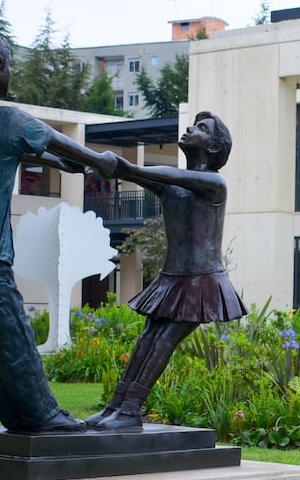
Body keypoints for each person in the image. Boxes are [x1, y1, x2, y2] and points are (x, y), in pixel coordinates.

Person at [0, 28, 120, 434]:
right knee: (13, 339)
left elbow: (16, 149)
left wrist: (61, 164)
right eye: (9, 63)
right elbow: (68, 147)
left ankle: (18, 418)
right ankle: (45, 416)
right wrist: (98, 161)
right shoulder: (9, 117)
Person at [87, 111, 247, 431]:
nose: (190, 129)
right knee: (147, 337)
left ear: (214, 148)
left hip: (201, 283)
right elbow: (145, 176)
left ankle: (131, 409)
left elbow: (160, 174)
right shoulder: (171, 184)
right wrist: (105, 163)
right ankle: (116, 406)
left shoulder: (214, 183)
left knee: (164, 340)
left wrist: (127, 166)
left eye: (201, 129)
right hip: (172, 278)